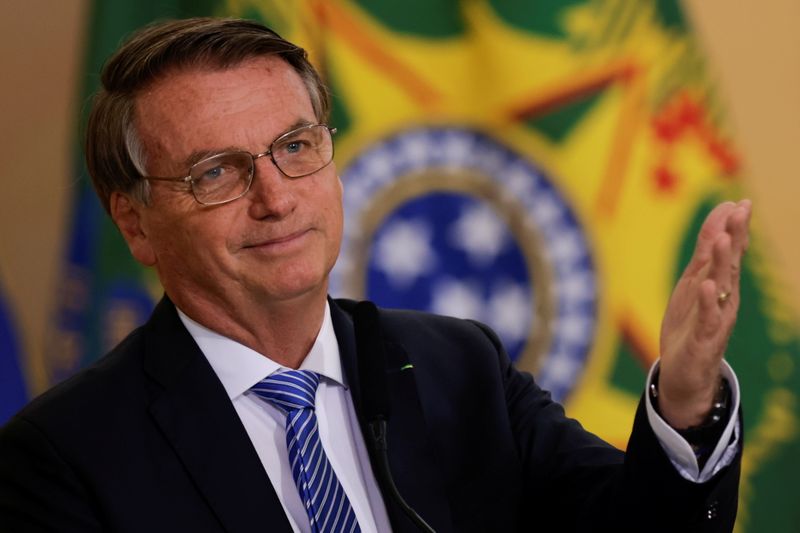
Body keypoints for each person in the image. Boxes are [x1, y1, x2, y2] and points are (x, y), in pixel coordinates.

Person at [0, 17, 749, 533]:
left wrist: (684, 400)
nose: (277, 197)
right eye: (218, 171)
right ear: (135, 222)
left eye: (295, 145)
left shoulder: (461, 367)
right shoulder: (64, 456)